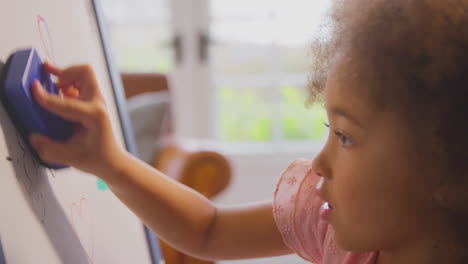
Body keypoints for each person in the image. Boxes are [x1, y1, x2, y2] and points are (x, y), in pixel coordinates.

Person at [28, 0, 468, 263]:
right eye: (328, 129)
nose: (319, 163)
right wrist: (111, 161)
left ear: (445, 169)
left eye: (347, 137)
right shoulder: (326, 218)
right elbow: (208, 230)